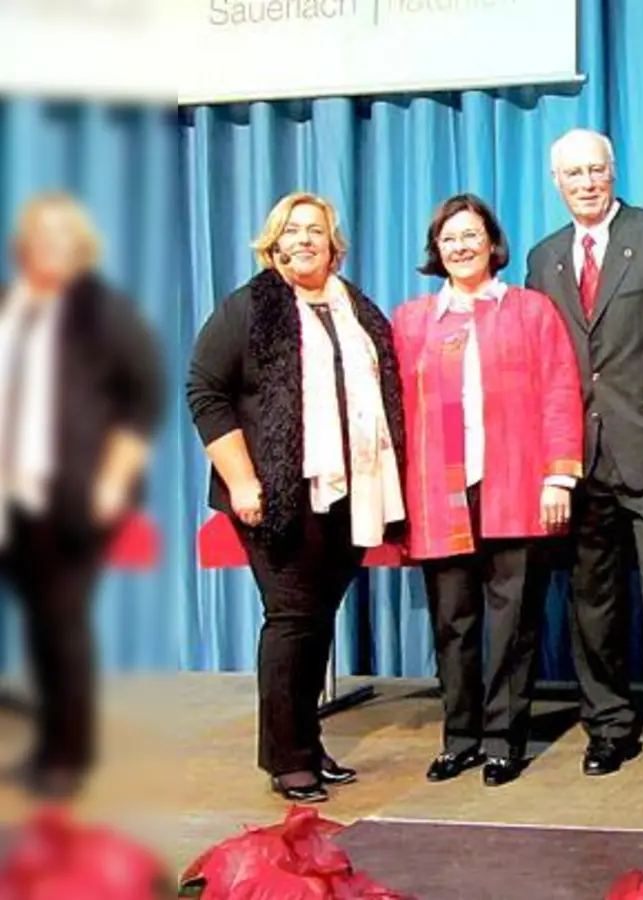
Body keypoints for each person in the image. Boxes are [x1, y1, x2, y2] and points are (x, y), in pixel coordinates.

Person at [187, 191, 406, 803]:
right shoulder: (249, 308)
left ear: (334, 244)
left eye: (316, 230)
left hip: (347, 491)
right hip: (276, 493)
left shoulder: (355, 308)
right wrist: (243, 480)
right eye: (292, 230)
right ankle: (287, 759)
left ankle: (303, 743)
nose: (304, 239)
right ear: (273, 243)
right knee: (290, 619)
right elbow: (206, 392)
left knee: (315, 623)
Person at [525, 128, 643, 789]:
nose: (585, 182)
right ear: (556, 183)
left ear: (614, 171)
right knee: (592, 602)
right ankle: (607, 726)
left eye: (596, 170)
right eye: (573, 173)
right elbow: (542, 365)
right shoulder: (543, 257)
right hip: (578, 460)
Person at [393, 193, 584, 788]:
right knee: (453, 622)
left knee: (513, 624)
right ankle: (461, 737)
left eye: (471, 234)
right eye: (449, 238)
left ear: (492, 242)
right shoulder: (413, 320)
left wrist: (560, 473)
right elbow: (395, 412)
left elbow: (559, 390)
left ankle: (504, 739)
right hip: (439, 491)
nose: (461, 246)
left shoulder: (530, 311)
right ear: (436, 250)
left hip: (515, 486)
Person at [0, 192, 164, 799]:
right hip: (7, 493)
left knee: (61, 623)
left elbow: (141, 400)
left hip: (73, 493)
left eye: (62, 236)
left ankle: (66, 752)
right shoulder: (8, 303)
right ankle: (48, 741)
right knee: (37, 626)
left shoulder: (104, 312)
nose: (50, 246)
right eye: (40, 235)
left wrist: (114, 480)